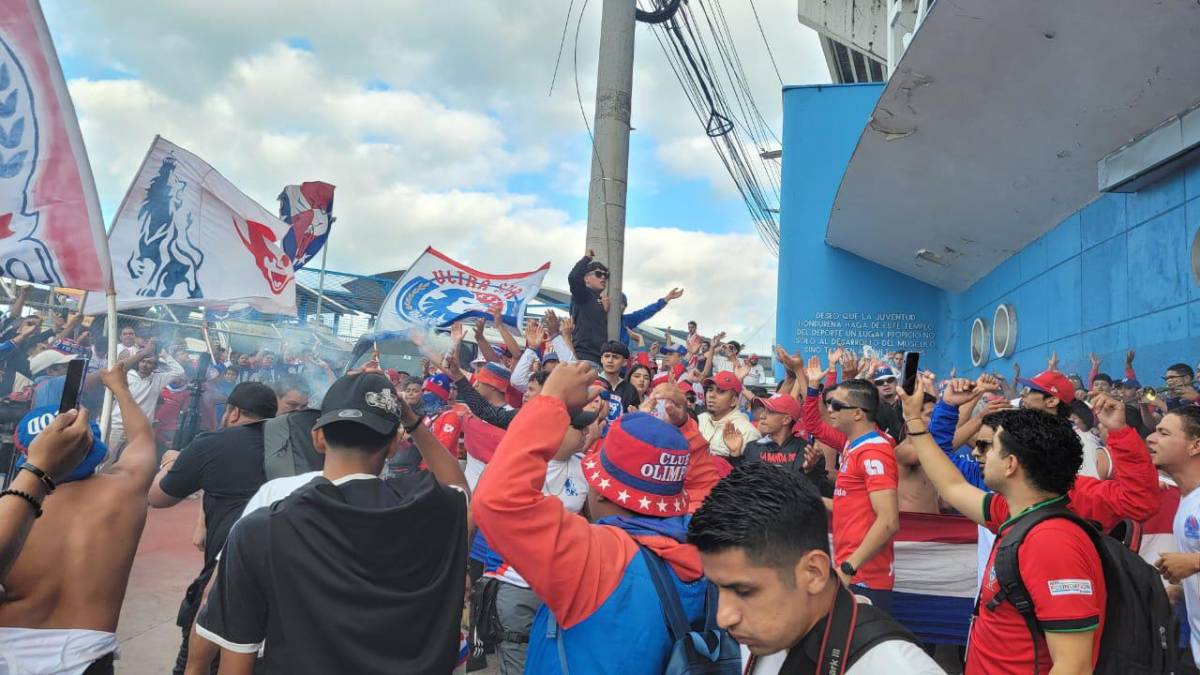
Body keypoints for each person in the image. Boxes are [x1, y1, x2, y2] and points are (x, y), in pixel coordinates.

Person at [197, 371, 470, 674]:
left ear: (318, 437)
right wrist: (412, 420)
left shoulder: (262, 528)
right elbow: (459, 489)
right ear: (393, 445)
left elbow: (235, 661)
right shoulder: (429, 509)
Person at [473, 363, 720, 673]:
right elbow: (704, 485)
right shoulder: (705, 543)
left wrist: (550, 400)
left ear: (601, 493)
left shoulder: (597, 557)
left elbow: (497, 500)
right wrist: (683, 431)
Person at [904, 378, 1107, 674]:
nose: (976, 453)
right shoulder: (1014, 512)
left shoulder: (1053, 542)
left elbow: (1073, 667)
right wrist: (913, 419)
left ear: (1011, 464)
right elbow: (951, 485)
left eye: (988, 447)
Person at [688, 463, 944, 674]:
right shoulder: (766, 634)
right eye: (718, 587)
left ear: (814, 573)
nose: (724, 617)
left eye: (744, 591)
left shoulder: (896, 667)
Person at [0, 363, 158, 674]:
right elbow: (142, 438)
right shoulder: (123, 492)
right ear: (94, 450)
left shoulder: (12, 514)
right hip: (86, 658)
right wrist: (119, 388)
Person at [148, 381, 279, 675]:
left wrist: (170, 462)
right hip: (279, 571)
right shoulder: (289, 448)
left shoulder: (211, 444)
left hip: (225, 567)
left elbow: (158, 497)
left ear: (232, 413)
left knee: (197, 657)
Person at [1149, 407, 1200, 664]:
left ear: (1195, 446)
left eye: (1163, 433)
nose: (1151, 438)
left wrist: (1193, 563)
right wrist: (1181, 589)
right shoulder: (1186, 497)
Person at [731, 393, 832, 497]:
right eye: (763, 410)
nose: (762, 416)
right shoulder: (752, 447)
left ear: (786, 420)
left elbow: (819, 495)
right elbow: (740, 485)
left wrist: (810, 471)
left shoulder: (807, 452)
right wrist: (735, 456)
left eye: (770, 411)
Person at [1018, 369, 1110, 479]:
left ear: (1052, 401)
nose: (1021, 393)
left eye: (1030, 390)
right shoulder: (1040, 433)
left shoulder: (1078, 442)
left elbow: (1086, 491)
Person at [107, 341, 185, 458]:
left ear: (155, 366)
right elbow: (115, 369)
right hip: (118, 427)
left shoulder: (158, 379)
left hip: (139, 430)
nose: (145, 365)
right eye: (143, 361)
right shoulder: (127, 376)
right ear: (138, 363)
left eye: (150, 363)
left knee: (129, 464)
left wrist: (165, 355)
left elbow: (179, 371)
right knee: (107, 461)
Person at [698, 371, 760, 458]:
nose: (711, 395)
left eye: (720, 391)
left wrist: (735, 457)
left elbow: (752, 470)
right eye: (710, 390)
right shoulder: (700, 419)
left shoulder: (748, 432)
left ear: (733, 401)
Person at [567, 250, 609, 364]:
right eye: (598, 274)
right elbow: (574, 278)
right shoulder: (583, 295)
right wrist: (586, 258)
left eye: (606, 275)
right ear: (586, 278)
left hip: (599, 359)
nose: (603, 278)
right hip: (585, 357)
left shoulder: (598, 300)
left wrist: (603, 311)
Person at [618, 288, 683, 348]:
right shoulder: (608, 320)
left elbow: (646, 312)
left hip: (621, 357)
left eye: (625, 304)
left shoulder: (626, 320)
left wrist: (667, 298)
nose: (623, 307)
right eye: (620, 303)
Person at [599, 339, 640, 414]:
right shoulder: (590, 383)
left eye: (615, 357)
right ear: (601, 359)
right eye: (607, 356)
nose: (610, 360)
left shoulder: (630, 390)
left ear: (624, 362)